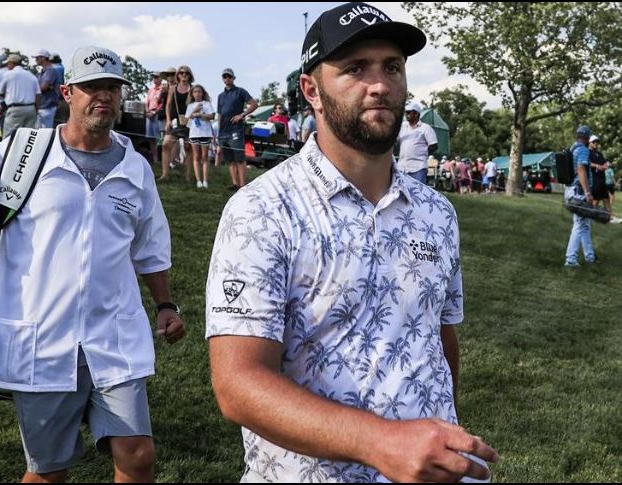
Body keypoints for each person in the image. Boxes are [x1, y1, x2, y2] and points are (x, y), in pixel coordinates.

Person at [206, 3, 498, 483]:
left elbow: (439, 336)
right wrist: (381, 442)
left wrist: (441, 435)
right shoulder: (262, 210)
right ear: (311, 91)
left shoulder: (437, 212)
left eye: (392, 67)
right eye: (354, 69)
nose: (379, 84)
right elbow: (238, 384)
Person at [0, 45, 185, 483]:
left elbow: (150, 248)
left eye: (111, 88)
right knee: (48, 472)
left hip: (114, 339)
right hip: (42, 341)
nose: (102, 96)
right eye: (90, 87)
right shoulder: (20, 154)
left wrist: (165, 305)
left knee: (138, 457)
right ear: (67, 92)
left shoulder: (136, 168)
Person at [217, 68, 257, 190]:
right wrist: (218, 132)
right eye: (225, 77)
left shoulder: (240, 92)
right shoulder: (220, 96)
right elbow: (219, 115)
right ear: (223, 79)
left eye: (229, 77)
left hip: (236, 130)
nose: (227, 79)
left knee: (239, 158)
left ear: (233, 78)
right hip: (223, 132)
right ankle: (235, 184)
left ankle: (243, 185)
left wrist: (242, 115)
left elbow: (254, 104)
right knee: (229, 160)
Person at [564, 125, 597, 267]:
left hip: (570, 189)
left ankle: (590, 256)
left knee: (585, 225)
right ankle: (571, 259)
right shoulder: (583, 150)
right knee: (579, 225)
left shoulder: (572, 149)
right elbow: (581, 170)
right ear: (587, 137)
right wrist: (588, 192)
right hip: (579, 192)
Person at [160, 65, 195, 181]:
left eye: (186, 73)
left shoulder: (193, 89)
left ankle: (189, 176)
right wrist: (168, 120)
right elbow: (168, 105)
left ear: (190, 75)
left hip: (189, 122)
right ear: (178, 75)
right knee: (166, 145)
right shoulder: (172, 88)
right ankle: (165, 174)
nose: (183, 75)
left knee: (188, 147)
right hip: (174, 122)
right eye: (181, 73)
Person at [0, 54, 40, 138]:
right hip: (31, 109)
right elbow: (38, 94)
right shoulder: (31, 75)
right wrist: (36, 109)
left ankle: (10, 151)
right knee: (27, 137)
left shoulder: (8, 74)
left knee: (9, 137)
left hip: (15, 109)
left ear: (11, 63)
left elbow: (0, 92)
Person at [396, 100, 437, 184]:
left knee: (417, 194)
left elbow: (434, 145)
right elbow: (394, 140)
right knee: (402, 193)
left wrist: (422, 152)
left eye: (409, 112)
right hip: (402, 167)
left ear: (416, 114)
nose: (406, 115)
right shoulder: (402, 127)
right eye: (406, 112)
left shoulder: (425, 128)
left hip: (418, 167)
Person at [184, 84, 215, 188]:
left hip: (205, 133)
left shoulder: (207, 104)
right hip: (194, 133)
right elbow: (187, 118)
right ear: (192, 94)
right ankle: (198, 181)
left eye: (199, 91)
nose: (197, 94)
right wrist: (195, 111)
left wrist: (201, 115)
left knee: (204, 157)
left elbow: (212, 116)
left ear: (203, 93)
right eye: (195, 92)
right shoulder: (190, 106)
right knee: (196, 156)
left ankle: (205, 180)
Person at [34, 49, 59, 129]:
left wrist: (33, 89)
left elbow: (43, 87)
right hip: (41, 106)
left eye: (37, 58)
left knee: (46, 133)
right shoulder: (42, 72)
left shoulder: (50, 71)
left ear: (43, 58)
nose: (36, 60)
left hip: (47, 107)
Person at [588, 135, 611, 215]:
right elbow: (588, 163)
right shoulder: (587, 152)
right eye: (594, 142)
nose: (596, 143)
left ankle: (609, 216)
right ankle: (591, 216)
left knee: (606, 197)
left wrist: (606, 164)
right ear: (589, 142)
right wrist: (597, 166)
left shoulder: (599, 153)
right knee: (596, 199)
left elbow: (605, 162)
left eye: (597, 142)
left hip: (602, 179)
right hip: (594, 179)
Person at [144, 72, 164, 165]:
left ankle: (163, 159)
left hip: (158, 114)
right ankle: (155, 159)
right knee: (151, 138)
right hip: (149, 114)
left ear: (161, 78)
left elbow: (162, 103)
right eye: (154, 77)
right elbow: (146, 102)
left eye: (157, 77)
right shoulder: (150, 90)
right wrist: (148, 112)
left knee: (159, 137)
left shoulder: (163, 89)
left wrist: (155, 112)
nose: (155, 79)